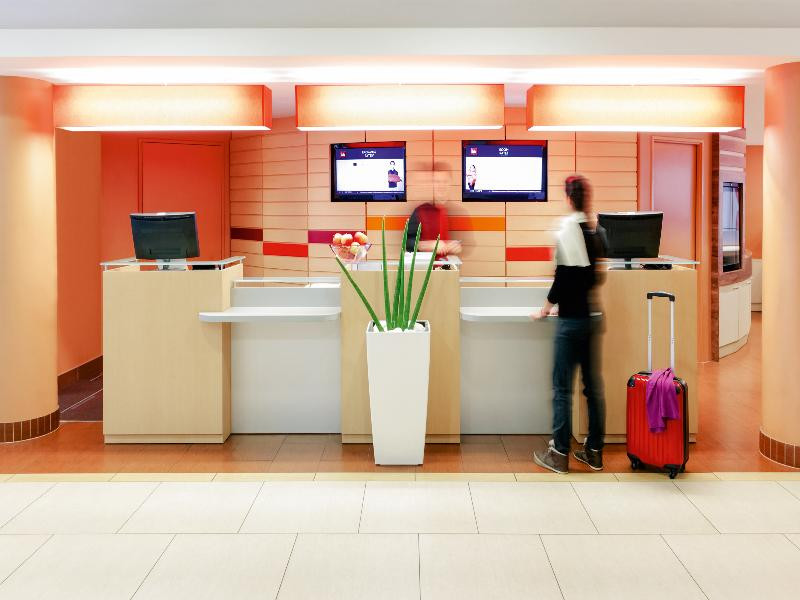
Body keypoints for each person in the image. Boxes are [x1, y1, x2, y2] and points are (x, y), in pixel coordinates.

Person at [532, 175, 606, 474]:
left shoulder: (567, 230)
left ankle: (559, 453)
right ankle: (594, 452)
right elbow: (596, 277)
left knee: (562, 388)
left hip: (570, 322)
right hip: (591, 318)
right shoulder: (594, 231)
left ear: (567, 198)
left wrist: (545, 309)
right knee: (592, 388)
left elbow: (562, 279)